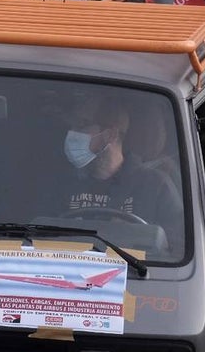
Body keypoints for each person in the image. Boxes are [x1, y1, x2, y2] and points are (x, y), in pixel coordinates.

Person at [52, 95, 182, 252]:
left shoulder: (155, 186)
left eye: (82, 125)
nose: (72, 133)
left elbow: (177, 249)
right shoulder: (61, 182)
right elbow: (36, 236)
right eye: (72, 126)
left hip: (136, 273)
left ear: (110, 135)